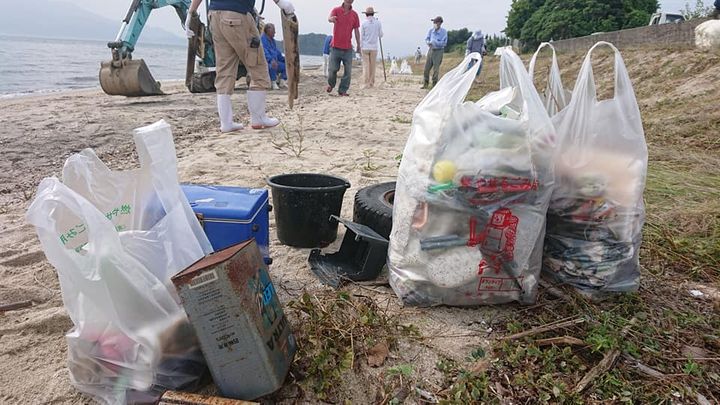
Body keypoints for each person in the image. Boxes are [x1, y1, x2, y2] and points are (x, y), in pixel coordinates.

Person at [185, 0, 295, 132]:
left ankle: (226, 123)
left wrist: (191, 13)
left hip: (215, 16)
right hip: (237, 14)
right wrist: (281, 3)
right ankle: (258, 118)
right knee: (257, 67)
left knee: (224, 69)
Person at [326, 0, 361, 96]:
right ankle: (331, 84)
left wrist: (358, 44)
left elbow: (357, 30)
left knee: (348, 72)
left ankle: (342, 90)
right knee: (332, 69)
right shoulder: (336, 10)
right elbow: (329, 18)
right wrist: (331, 19)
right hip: (335, 47)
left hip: (348, 48)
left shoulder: (354, 15)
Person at [360, 6, 383, 88]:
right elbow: (381, 35)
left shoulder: (363, 23)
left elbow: (361, 36)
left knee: (366, 65)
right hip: (374, 47)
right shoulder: (378, 22)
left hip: (365, 47)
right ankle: (371, 83)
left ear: (366, 14)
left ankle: (366, 83)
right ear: (373, 14)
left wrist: (360, 46)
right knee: (373, 65)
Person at [423, 16, 447, 89]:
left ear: (440, 23)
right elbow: (427, 38)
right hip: (431, 50)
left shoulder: (444, 32)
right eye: (434, 22)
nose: (434, 23)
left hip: (438, 51)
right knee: (426, 68)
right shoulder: (431, 30)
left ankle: (434, 85)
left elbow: (444, 43)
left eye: (436, 22)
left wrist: (435, 43)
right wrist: (428, 42)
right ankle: (425, 83)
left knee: (436, 70)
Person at [261, 23, 287, 90]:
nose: (275, 32)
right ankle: (273, 82)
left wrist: (284, 59)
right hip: (266, 62)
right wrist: (271, 60)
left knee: (287, 65)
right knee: (273, 65)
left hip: (275, 60)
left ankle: (282, 81)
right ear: (268, 31)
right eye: (273, 31)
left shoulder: (273, 41)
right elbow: (264, 52)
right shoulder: (263, 39)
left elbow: (277, 52)